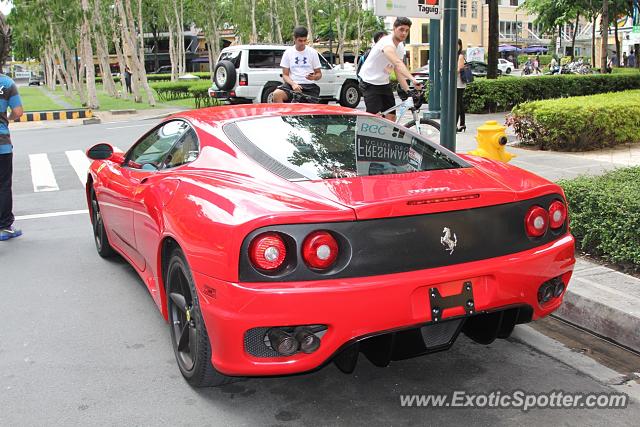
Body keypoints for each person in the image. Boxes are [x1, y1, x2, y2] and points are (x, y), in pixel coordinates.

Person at [358, 17, 422, 121]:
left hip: (384, 83)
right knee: (374, 118)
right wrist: (412, 79)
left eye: (407, 31)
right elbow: (398, 63)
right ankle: (366, 136)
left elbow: (398, 71)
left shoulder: (400, 46)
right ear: (394, 28)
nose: (404, 33)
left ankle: (386, 137)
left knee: (391, 117)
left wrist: (408, 90)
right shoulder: (386, 43)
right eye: (401, 29)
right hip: (369, 82)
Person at [0, 71, 25, 241]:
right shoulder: (7, 83)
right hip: (2, 145)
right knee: (3, 185)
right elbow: (18, 111)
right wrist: (7, 118)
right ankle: (4, 227)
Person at [272, 26, 322, 103]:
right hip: (292, 85)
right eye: (300, 41)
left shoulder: (313, 52)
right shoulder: (288, 53)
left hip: (309, 86)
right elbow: (285, 75)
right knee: (276, 94)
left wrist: (314, 77)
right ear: (294, 39)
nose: (303, 43)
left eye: (305, 41)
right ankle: (283, 114)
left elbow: (319, 74)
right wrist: (293, 84)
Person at [456, 39, 466, 133]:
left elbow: (459, 69)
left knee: (458, 104)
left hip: (459, 83)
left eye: (457, 44)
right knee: (459, 103)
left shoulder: (460, 56)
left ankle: (458, 124)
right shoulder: (454, 56)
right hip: (455, 83)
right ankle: (462, 124)